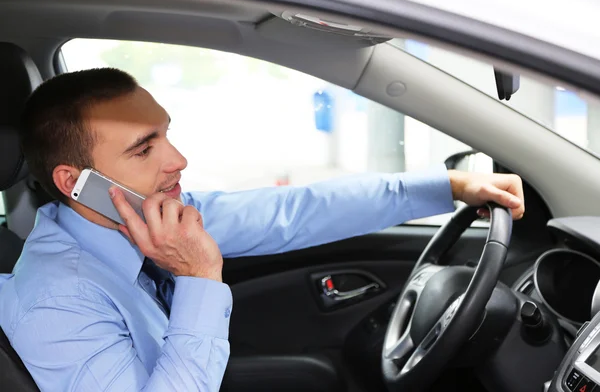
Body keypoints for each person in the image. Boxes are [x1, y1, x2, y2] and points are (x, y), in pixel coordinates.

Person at [0, 68, 524, 392]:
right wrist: (200, 276)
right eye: (144, 149)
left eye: (166, 136)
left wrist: (449, 185)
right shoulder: (57, 301)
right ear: (76, 183)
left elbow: (295, 211)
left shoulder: (141, 215)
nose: (179, 160)